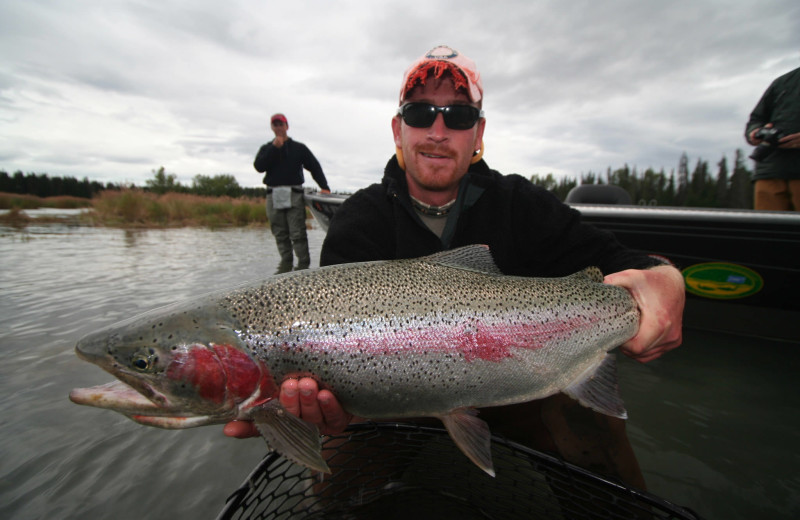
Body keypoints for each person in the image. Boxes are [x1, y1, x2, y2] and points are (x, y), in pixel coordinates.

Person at [229, 46, 685, 488]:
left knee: (594, 433)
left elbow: (630, 264)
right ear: (397, 129)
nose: (438, 130)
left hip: (528, 380)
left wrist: (665, 279)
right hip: (392, 401)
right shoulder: (358, 222)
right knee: (335, 479)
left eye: (459, 116)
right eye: (420, 113)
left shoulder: (520, 205)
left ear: (479, 134)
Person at [254, 113, 331, 272]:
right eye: (275, 125)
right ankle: (285, 268)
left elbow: (314, 166)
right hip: (273, 195)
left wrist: (325, 187)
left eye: (281, 124)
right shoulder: (267, 148)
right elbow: (259, 166)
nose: (279, 127)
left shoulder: (299, 148)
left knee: (298, 234)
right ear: (272, 128)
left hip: (294, 195)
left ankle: (303, 268)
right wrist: (274, 148)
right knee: (280, 233)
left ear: (287, 126)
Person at [745, 66, 800, 211]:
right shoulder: (782, 83)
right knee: (768, 231)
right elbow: (756, 119)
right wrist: (755, 132)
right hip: (770, 171)